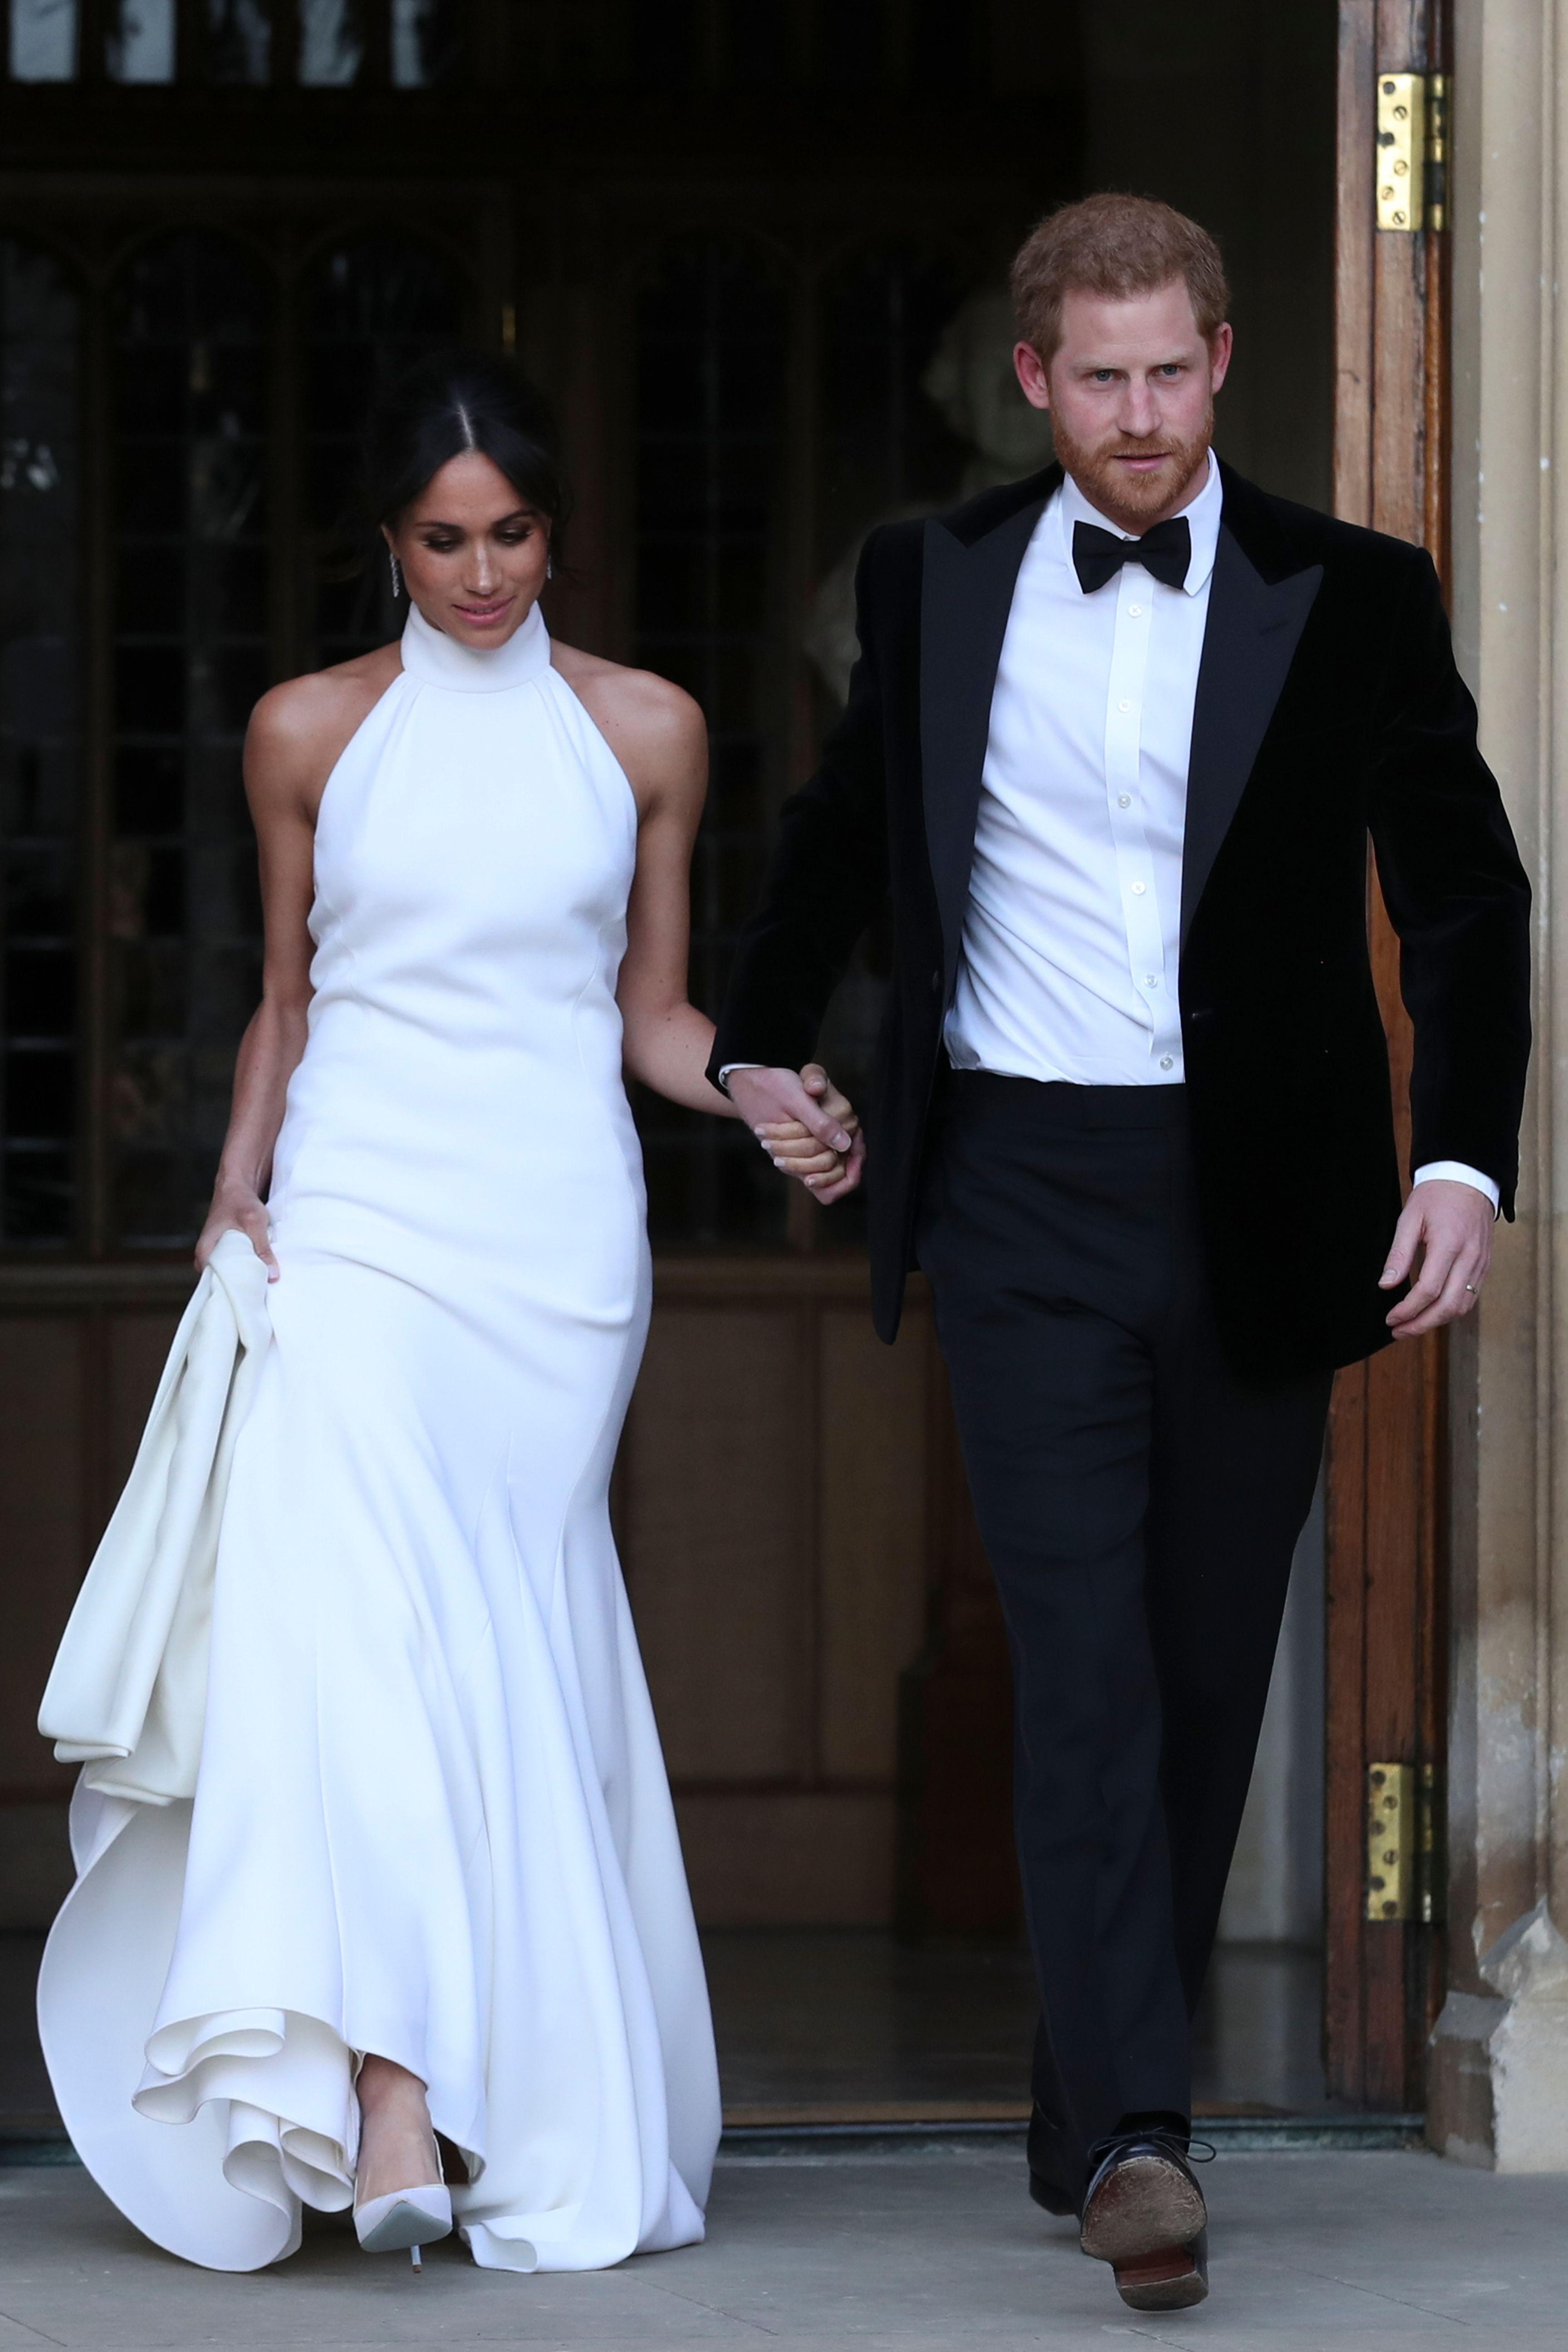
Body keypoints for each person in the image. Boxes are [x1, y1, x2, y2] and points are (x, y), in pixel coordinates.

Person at [711, 195, 1532, 2314]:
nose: (1144, 415)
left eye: (1176, 373)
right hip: (1019, 1198)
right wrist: (751, 1044)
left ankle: (1094, 2108)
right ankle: (1151, 2141)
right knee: (1077, 1671)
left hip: (1262, 1204)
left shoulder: (1350, 596)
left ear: (1227, 364)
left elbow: (1464, 894)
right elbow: (843, 839)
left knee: (1189, 1674)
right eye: (1105, 377)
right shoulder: (933, 576)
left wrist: (1462, 1165)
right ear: (1036, 381)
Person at [38, 351, 844, 2275]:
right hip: (360, 1220)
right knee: (357, 1640)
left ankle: (503, 2095)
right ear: (388, 542)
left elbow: (646, 1012)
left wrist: (760, 1086)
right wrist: (239, 1179)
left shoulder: (646, 729)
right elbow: (290, 996)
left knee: (505, 1647)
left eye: (513, 535)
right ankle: (393, 2093)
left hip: (555, 1251)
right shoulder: (307, 728)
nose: (481, 574)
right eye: (442, 540)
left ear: (554, 531)